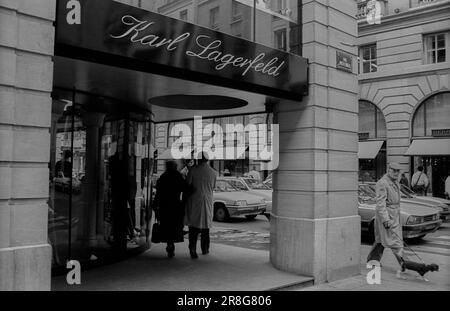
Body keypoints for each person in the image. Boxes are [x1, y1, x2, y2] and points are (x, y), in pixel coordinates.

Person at [367, 162, 409, 279]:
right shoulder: (382, 183)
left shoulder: (395, 182)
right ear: (388, 169)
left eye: (398, 171)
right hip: (388, 216)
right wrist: (386, 220)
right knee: (396, 241)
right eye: (394, 170)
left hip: (394, 215)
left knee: (381, 240)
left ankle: (372, 261)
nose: (396, 173)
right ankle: (405, 264)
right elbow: (380, 204)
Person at [185, 152, 217, 259]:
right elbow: (213, 187)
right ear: (207, 160)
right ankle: (205, 249)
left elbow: (187, 185)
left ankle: (193, 250)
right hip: (207, 202)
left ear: (198, 160)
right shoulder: (213, 172)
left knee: (193, 228)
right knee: (205, 228)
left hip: (195, 202)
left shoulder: (193, 171)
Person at [153, 161, 188, 258]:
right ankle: (171, 244)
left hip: (164, 206)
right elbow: (186, 189)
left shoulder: (163, 177)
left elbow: (158, 193)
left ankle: (169, 244)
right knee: (174, 226)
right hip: (175, 206)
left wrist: (155, 205)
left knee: (167, 226)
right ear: (175, 167)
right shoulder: (178, 176)